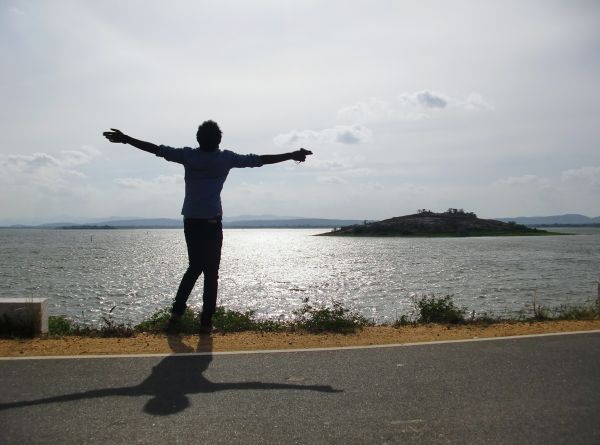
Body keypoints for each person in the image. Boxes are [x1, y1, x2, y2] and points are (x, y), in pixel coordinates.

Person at [103, 121, 312, 333]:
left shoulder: (188, 156)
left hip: (192, 220)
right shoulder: (226, 158)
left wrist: (126, 139)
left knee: (195, 267)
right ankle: (205, 323)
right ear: (219, 140)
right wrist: (292, 154)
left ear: (198, 139)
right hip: (212, 222)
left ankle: (176, 315)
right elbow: (260, 160)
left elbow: (155, 149)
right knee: (211, 273)